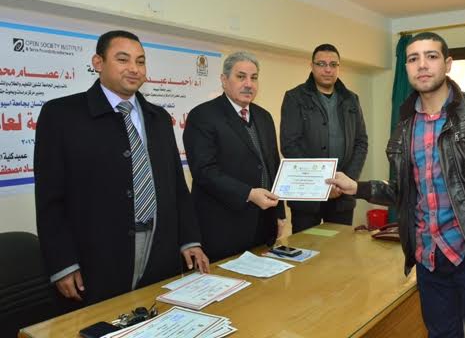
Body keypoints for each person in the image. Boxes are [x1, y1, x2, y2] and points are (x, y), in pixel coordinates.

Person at [327, 32, 465, 337]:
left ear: (447, 63)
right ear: (406, 68)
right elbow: (406, 192)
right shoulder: (404, 126)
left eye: (431, 56)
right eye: (413, 58)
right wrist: (357, 187)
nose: (422, 65)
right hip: (429, 261)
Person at [34, 30, 209, 307]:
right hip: (97, 255)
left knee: (155, 317)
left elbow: (176, 185)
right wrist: (63, 263)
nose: (134, 69)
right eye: (123, 59)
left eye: (140, 61)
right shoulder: (61, 115)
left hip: (159, 248)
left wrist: (190, 240)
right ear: (98, 62)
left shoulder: (159, 118)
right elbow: (50, 198)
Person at [183, 51, 285, 261]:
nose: (249, 84)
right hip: (223, 227)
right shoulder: (202, 116)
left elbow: (273, 166)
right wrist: (249, 193)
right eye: (241, 77)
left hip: (263, 224)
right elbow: (204, 171)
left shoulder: (264, 117)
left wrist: (279, 213)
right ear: (224, 80)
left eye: (254, 78)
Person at [280, 44, 368, 233]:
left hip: (342, 194)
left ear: (338, 67)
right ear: (312, 66)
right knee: (306, 246)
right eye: (321, 64)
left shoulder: (351, 99)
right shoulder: (295, 97)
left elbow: (361, 142)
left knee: (339, 247)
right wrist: (321, 184)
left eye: (333, 64)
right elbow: (289, 145)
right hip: (307, 194)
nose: (328, 69)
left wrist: (347, 180)